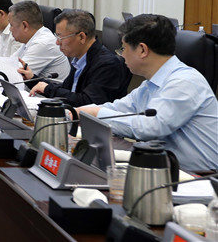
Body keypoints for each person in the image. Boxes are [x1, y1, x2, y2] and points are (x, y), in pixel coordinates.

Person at [78, 14, 218, 171]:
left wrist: (96, 114)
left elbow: (151, 127)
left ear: (142, 50)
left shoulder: (184, 82)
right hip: (167, 169)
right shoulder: (150, 84)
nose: (121, 55)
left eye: (123, 48)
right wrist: (77, 112)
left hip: (200, 178)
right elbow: (119, 108)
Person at [27, 10, 128, 106]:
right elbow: (67, 91)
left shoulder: (107, 64)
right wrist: (32, 79)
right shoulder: (79, 59)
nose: (57, 42)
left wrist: (48, 89)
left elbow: (88, 102)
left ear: (81, 37)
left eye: (60, 37)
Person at [10, 1, 70, 81]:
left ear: (24, 25)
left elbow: (15, 75)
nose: (10, 29)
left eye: (11, 25)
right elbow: (10, 62)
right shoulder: (32, 38)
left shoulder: (43, 43)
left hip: (51, 89)